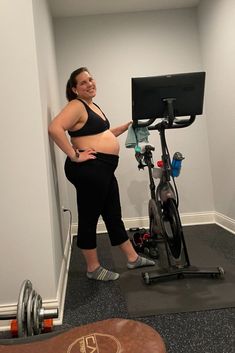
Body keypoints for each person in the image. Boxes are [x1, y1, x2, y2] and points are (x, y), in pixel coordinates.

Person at [48, 67, 155, 281]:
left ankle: (132, 258)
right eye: (83, 82)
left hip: (103, 168)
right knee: (89, 217)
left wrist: (123, 128)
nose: (90, 84)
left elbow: (100, 134)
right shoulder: (76, 105)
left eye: (91, 79)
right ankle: (93, 268)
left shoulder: (92, 106)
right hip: (89, 169)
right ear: (75, 89)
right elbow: (55, 128)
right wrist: (74, 155)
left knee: (113, 213)